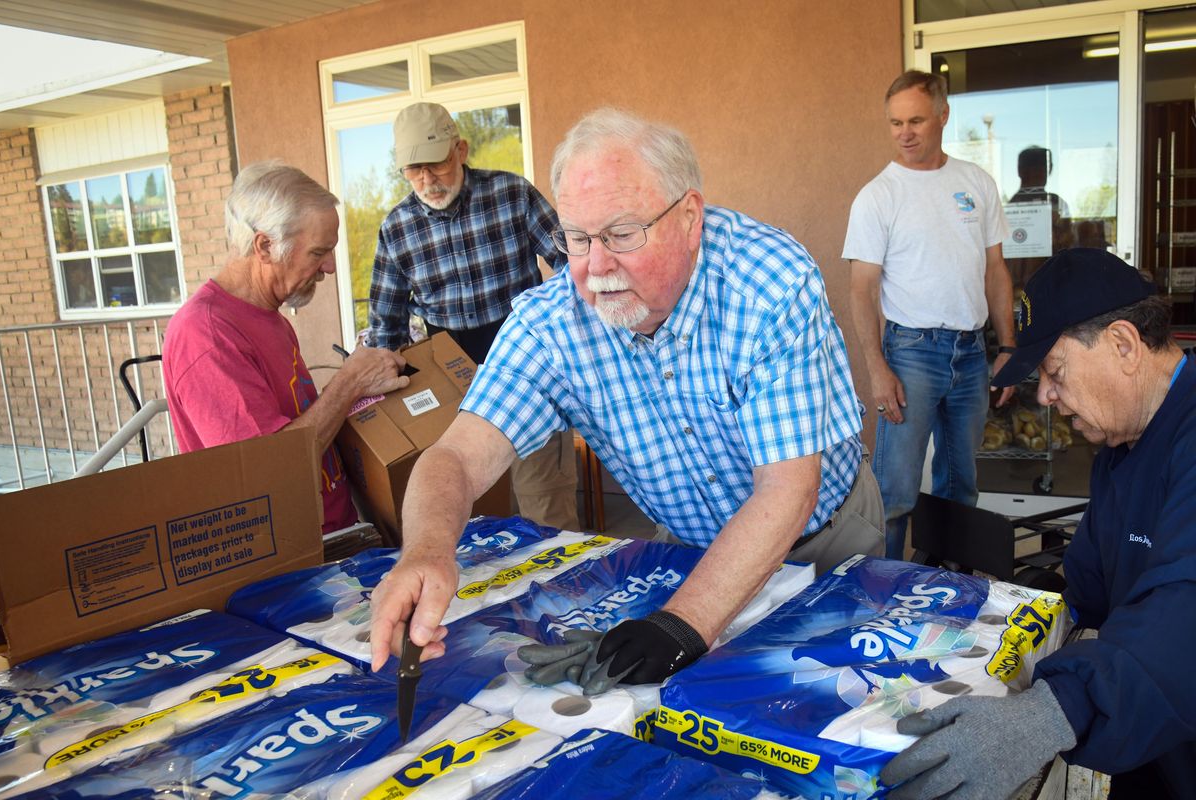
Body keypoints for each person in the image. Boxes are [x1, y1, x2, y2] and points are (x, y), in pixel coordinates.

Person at [368, 107, 882, 690]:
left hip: (825, 535)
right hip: (691, 545)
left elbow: (789, 488)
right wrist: (427, 550)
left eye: (620, 234)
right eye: (579, 239)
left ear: (690, 218)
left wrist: (683, 625)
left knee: (828, 704)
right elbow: (456, 456)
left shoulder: (765, 280)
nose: (595, 268)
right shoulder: (553, 321)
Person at [879, 248, 1195, 800]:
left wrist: (1057, 712)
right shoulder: (1124, 439)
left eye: (1054, 371)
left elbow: (1184, 609)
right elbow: (1090, 584)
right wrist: (1003, 619)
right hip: (1151, 738)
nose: (1046, 396)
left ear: (1123, 344)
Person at [163, 162, 409, 535]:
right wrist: (348, 384)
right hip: (283, 563)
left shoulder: (270, 315)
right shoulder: (206, 333)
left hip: (329, 541)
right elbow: (268, 471)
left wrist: (360, 392)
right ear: (265, 246)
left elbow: (300, 427)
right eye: (317, 253)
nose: (329, 267)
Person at [369, 102, 578, 531]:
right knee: (465, 513)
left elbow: (574, 268)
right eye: (413, 170)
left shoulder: (511, 194)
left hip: (526, 372)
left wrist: (563, 333)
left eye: (437, 164)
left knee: (546, 506)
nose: (427, 180)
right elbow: (385, 326)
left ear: (460, 149)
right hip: (449, 386)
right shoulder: (397, 228)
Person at [843, 69, 1016, 561]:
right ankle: (881, 593)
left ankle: (948, 581)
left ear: (943, 116)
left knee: (960, 485)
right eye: (895, 122)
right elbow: (861, 289)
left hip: (970, 351)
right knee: (895, 493)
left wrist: (1007, 348)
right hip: (911, 354)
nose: (905, 133)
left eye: (916, 120)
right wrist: (877, 368)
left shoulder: (975, 183)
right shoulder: (879, 195)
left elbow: (996, 270)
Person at [1006, 145, 1074, 290]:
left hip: (1052, 283)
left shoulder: (1056, 202)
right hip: (1019, 286)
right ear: (1021, 171)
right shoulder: (1011, 207)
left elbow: (1068, 242)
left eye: (1044, 168)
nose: (1040, 173)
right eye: (1035, 168)